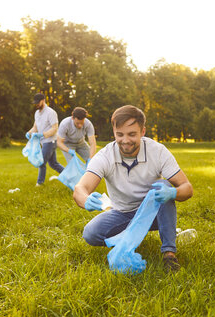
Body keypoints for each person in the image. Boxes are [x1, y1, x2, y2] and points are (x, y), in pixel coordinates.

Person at [73, 105, 194, 272]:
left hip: (154, 212)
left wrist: (173, 192)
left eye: (132, 134)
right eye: (119, 134)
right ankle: (132, 235)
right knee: (90, 233)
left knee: (163, 186)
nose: (125, 140)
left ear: (142, 131)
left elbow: (187, 188)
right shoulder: (105, 156)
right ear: (114, 132)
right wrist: (85, 199)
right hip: (122, 213)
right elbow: (80, 188)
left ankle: (169, 254)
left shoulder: (157, 151)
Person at [26, 93, 64, 186]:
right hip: (44, 142)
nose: (36, 104)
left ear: (43, 100)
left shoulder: (51, 113)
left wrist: (42, 134)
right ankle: (68, 176)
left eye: (38, 102)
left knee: (41, 162)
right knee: (53, 164)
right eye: (35, 103)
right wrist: (29, 132)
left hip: (51, 141)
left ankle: (40, 183)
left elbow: (55, 128)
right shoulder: (37, 113)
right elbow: (35, 127)